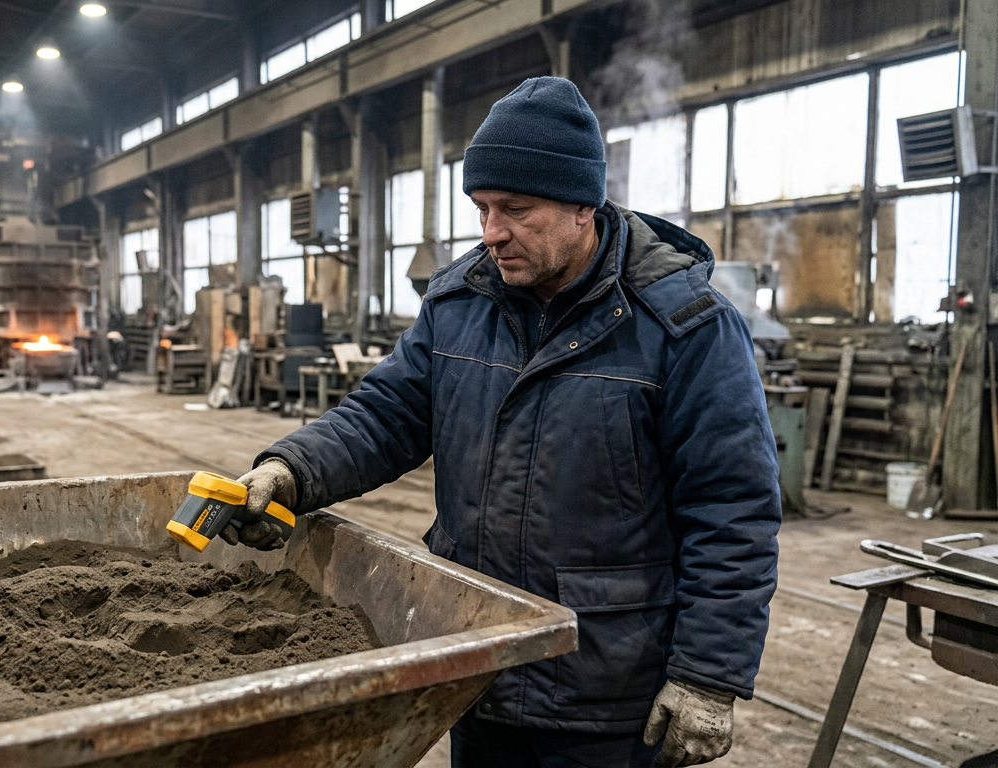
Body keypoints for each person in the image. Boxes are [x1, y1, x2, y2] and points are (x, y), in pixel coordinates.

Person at [222, 77, 780, 768]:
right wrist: (290, 470)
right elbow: (387, 413)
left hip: (604, 689)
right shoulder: (459, 302)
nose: (492, 233)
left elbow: (732, 508)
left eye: (516, 209)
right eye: (483, 208)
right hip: (476, 657)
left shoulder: (686, 327)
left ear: (585, 205)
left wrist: (707, 676)